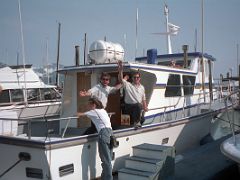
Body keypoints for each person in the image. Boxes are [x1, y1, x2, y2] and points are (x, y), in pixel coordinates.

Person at [77, 97, 113, 180]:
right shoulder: (103, 111)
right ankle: (105, 177)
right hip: (111, 133)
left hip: (103, 134)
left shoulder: (94, 111)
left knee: (105, 160)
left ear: (93, 105)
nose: (88, 106)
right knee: (108, 159)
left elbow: (79, 114)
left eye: (89, 105)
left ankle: (108, 178)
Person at [118, 61, 148, 127]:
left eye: (137, 77)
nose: (136, 79)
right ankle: (136, 123)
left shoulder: (142, 87)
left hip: (137, 108)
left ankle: (136, 124)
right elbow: (120, 80)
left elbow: (144, 99)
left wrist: (145, 107)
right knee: (138, 105)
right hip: (129, 107)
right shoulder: (128, 85)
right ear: (132, 78)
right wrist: (120, 71)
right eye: (134, 77)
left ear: (139, 78)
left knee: (143, 119)